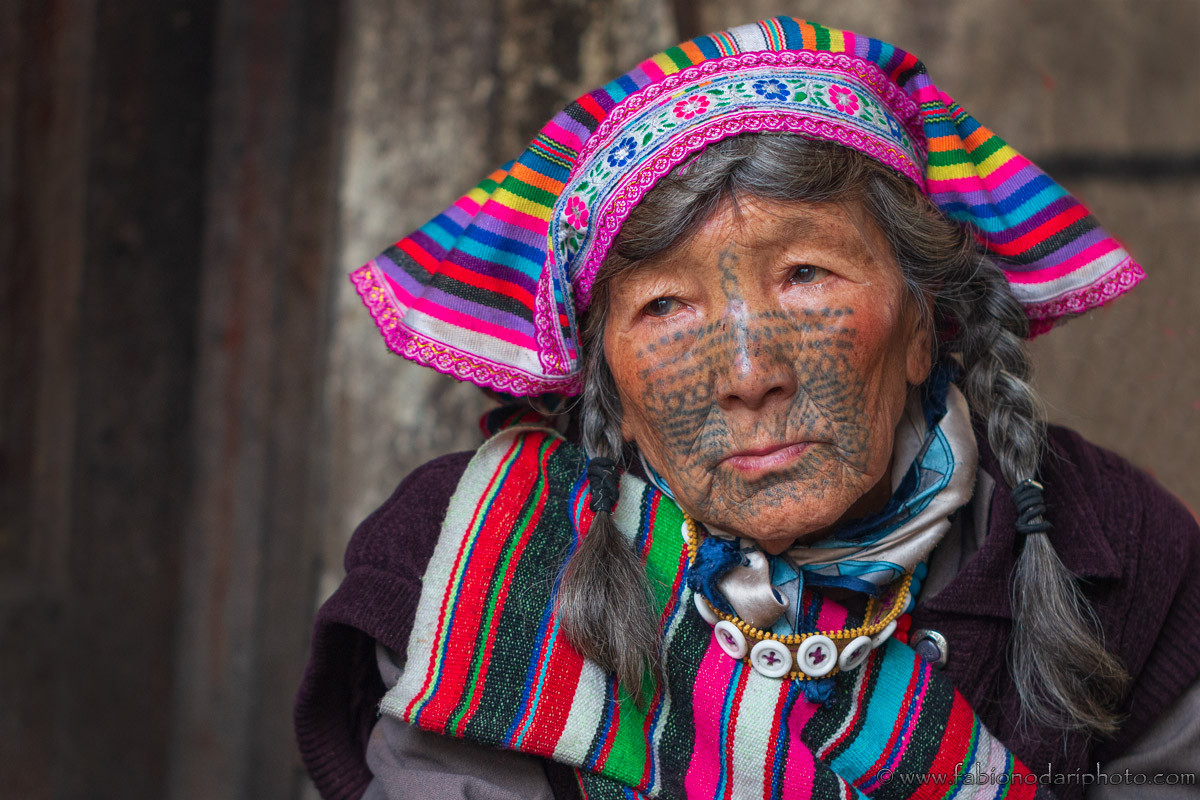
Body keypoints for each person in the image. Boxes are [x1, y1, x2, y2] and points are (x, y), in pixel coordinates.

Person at [295, 18, 1200, 800]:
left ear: (925, 323)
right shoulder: (470, 558)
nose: (747, 372)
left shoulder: (1114, 546)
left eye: (806, 275)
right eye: (666, 307)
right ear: (610, 383)